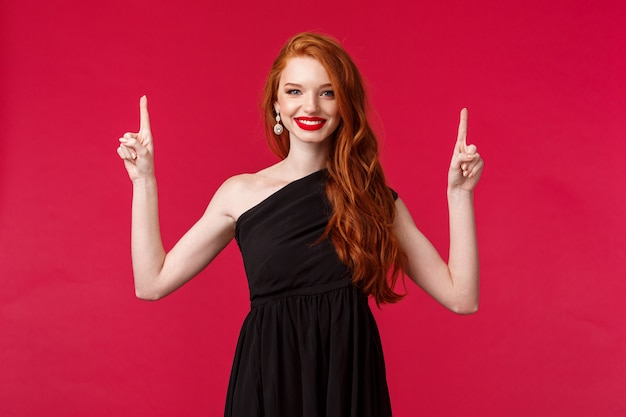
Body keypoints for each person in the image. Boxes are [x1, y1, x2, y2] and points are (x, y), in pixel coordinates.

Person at [117, 32, 483, 417]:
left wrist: (460, 195)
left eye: (327, 92)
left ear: (345, 104)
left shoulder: (372, 198)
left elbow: (462, 297)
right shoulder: (240, 193)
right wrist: (143, 181)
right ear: (276, 103)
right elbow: (151, 283)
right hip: (269, 386)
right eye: (294, 91)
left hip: (349, 387)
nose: (310, 105)